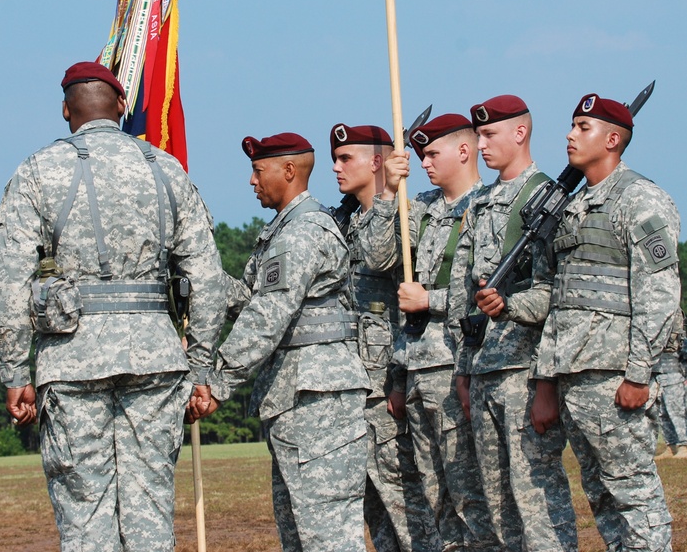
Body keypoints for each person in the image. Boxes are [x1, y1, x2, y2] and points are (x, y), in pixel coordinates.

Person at [0, 61, 226, 551]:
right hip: (155, 359)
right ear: (121, 106)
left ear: (65, 111)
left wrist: (14, 372)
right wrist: (200, 365)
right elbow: (207, 278)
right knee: (150, 506)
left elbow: (6, 283)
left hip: (73, 361)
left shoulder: (38, 171)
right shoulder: (166, 170)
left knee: (83, 511)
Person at [195, 132, 370, 552]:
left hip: (318, 400)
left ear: (288, 171)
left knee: (327, 536)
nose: (252, 182)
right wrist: (201, 274)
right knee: (299, 533)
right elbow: (255, 302)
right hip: (297, 398)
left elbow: (266, 318)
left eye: (258, 171)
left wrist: (216, 382)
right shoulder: (282, 230)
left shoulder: (303, 231)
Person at [532, 93, 680, 552]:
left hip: (616, 375)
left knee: (634, 496)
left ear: (612, 139)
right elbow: (561, 301)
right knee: (600, 495)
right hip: (576, 374)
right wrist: (548, 380)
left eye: (582, 127)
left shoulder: (640, 198)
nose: (570, 135)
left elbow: (658, 293)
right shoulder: (573, 207)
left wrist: (639, 373)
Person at [357, 113, 499, 550]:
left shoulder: (489, 205)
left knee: (470, 494)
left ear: (464, 150)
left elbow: (491, 289)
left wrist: (430, 301)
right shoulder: (420, 209)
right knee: (435, 496)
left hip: (460, 365)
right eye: (419, 155)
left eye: (432, 152)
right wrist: (387, 193)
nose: (424, 163)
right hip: (417, 366)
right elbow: (377, 258)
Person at [456, 95, 577, 550]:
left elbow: (557, 294)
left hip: (525, 370)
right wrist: (464, 367)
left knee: (537, 503)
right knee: (498, 505)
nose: (480, 144)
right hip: (485, 368)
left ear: (520, 133)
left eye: (489, 135)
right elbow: (462, 299)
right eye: (478, 135)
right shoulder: (481, 202)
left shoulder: (548, 198)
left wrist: (510, 309)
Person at [329, 123, 441, 552]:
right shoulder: (347, 220)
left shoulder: (403, 213)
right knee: (375, 512)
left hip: (385, 381)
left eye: (346, 159)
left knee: (407, 507)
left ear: (377, 162)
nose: (337, 167)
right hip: (353, 379)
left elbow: (380, 260)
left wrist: (390, 195)